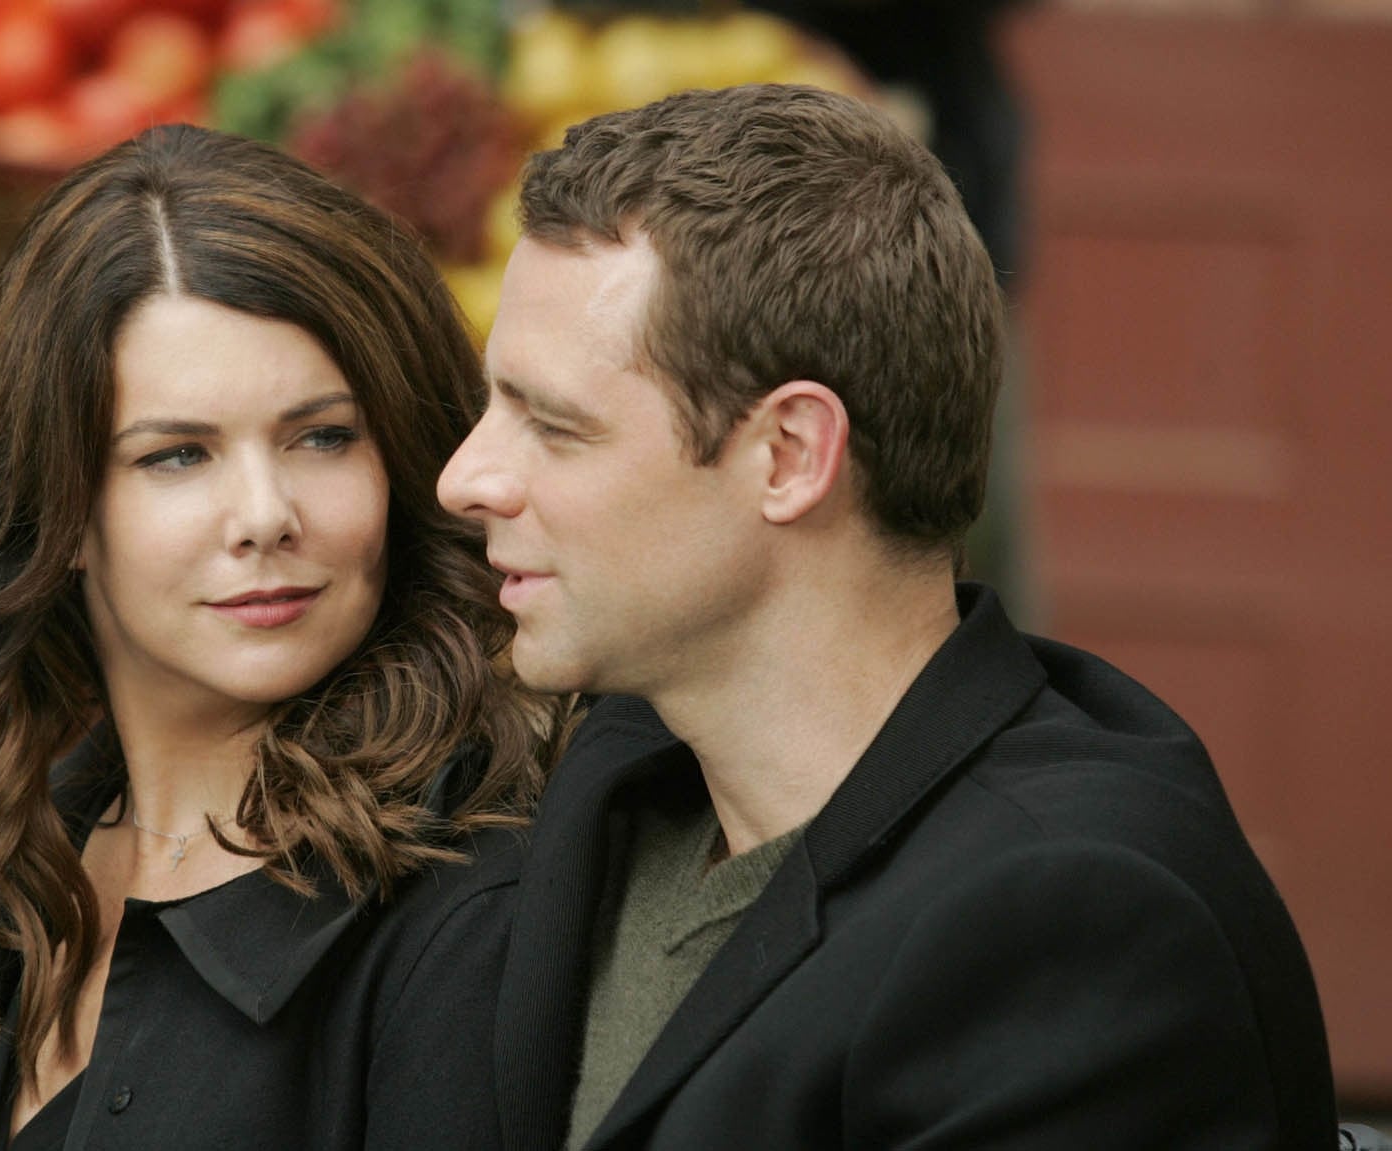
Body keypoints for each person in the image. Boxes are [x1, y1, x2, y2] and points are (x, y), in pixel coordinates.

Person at [435, 84, 1336, 1149]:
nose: (464, 478)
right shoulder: (615, 778)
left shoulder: (1071, 925)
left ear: (787, 455)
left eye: (552, 424)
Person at [0, 123, 562, 1151]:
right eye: (178, 455)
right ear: (57, 512)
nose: (264, 514)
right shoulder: (27, 848)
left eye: (322, 436)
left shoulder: (467, 900)